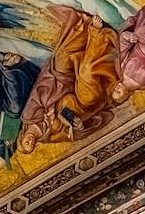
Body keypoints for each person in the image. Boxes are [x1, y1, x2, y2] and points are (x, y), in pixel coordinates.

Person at [19, 8, 121, 151]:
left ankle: (84, 25)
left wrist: (50, 107)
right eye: (31, 145)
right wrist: (78, 127)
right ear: (35, 145)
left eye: (26, 142)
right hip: (79, 103)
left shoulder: (29, 116)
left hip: (58, 83)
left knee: (62, 57)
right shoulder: (50, 137)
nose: (30, 141)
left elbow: (40, 91)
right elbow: (76, 134)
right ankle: (98, 34)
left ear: (21, 138)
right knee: (87, 72)